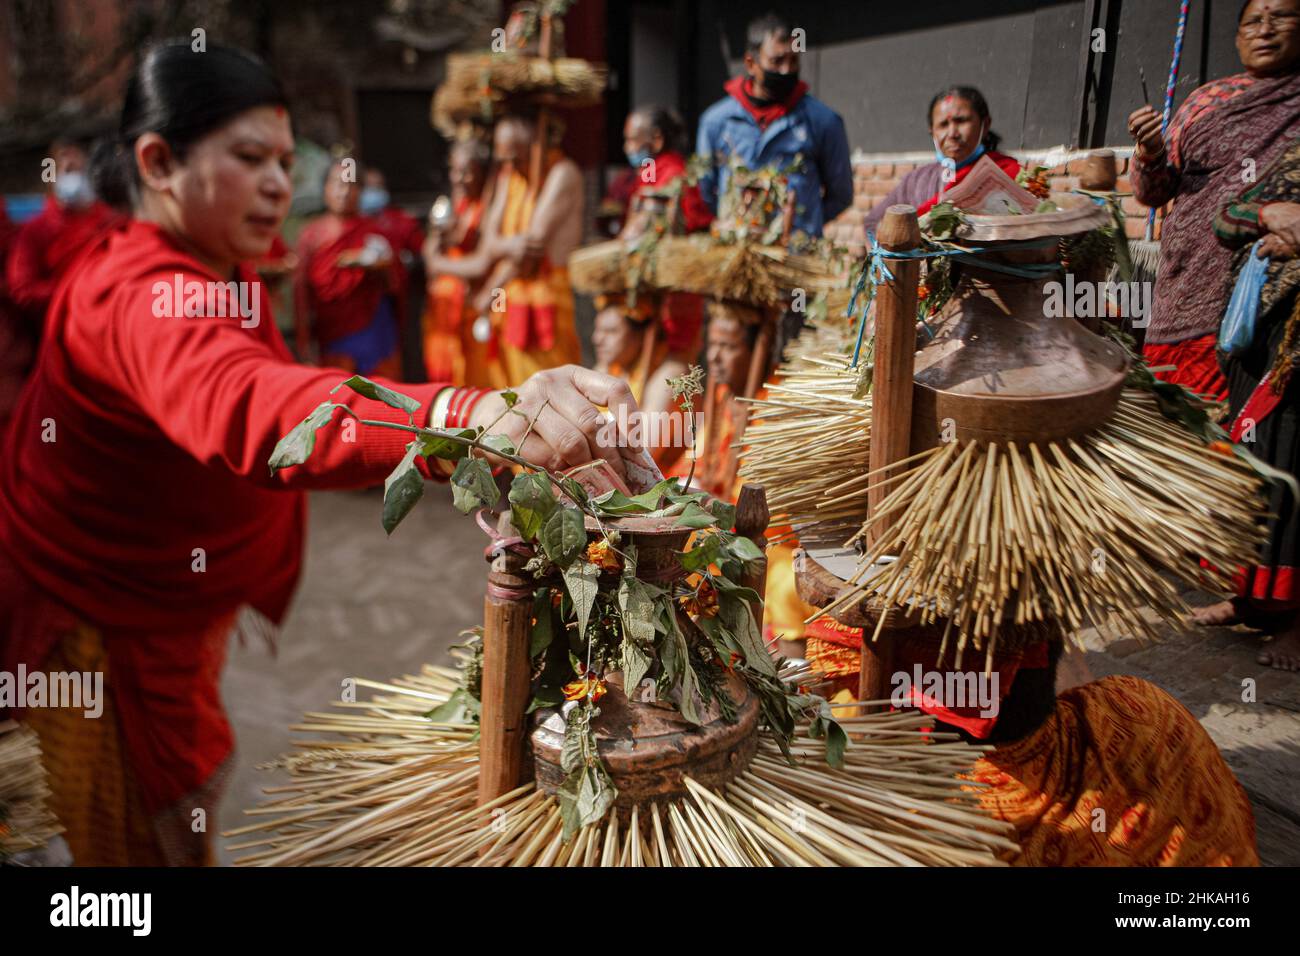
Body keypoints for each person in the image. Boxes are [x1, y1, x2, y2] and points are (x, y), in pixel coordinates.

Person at [0, 40, 643, 867]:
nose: (279, 182)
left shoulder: (207, 267)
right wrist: (461, 415)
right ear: (158, 161)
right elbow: (252, 403)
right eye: (248, 158)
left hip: (163, 622)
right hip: (93, 638)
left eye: (281, 159)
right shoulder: (142, 293)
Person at [1129, 0, 1300, 402]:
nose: (1266, 28)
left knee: (1235, 438)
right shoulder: (1207, 102)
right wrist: (1150, 151)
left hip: (1260, 298)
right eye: (1254, 20)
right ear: (1238, 37)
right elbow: (1152, 192)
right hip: (1182, 288)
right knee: (1170, 421)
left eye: (1281, 16)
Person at [1207, 137, 1300, 669]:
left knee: (1294, 477)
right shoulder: (1289, 161)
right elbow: (1226, 218)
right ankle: (1245, 599)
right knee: (1252, 468)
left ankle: (1295, 624)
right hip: (1257, 344)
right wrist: (1269, 212)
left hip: (1296, 358)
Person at [695, 12, 852, 240]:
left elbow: (841, 194)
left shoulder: (823, 121)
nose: (787, 70)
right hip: (735, 250)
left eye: (794, 60)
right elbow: (704, 190)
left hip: (797, 257)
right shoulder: (716, 122)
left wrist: (804, 225)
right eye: (777, 61)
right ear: (751, 63)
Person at [473, 111, 585, 383]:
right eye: (503, 159)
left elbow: (530, 251)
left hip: (546, 294)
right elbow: (488, 241)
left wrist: (489, 289)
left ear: (536, 147)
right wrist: (509, 244)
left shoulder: (562, 173)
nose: (510, 165)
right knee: (507, 390)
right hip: (508, 296)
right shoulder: (509, 174)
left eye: (516, 158)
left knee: (548, 388)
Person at [294, 158, 404, 378]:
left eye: (351, 184)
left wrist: (380, 267)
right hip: (332, 334)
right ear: (325, 189)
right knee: (341, 397)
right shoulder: (311, 236)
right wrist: (303, 342)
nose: (344, 191)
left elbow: (394, 285)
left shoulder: (374, 232)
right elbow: (301, 290)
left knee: (382, 397)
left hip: (374, 330)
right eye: (337, 184)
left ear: (361, 191)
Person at [863, 86, 1022, 238]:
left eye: (961, 121)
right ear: (932, 131)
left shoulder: (1006, 171)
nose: (952, 133)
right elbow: (872, 223)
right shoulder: (915, 181)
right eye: (943, 125)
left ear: (985, 125)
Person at [422, 137, 507, 389]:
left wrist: (438, 263)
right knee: (444, 381)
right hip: (444, 311)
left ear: (481, 172)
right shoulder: (454, 204)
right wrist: (437, 244)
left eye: (467, 172)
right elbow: (429, 250)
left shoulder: (488, 208)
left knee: (477, 383)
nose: (459, 178)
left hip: (475, 307)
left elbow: (481, 264)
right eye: (454, 170)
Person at [5, 139, 119, 326]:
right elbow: (23, 289)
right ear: (51, 177)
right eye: (65, 171)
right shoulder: (36, 229)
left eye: (77, 171)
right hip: (62, 324)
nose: (72, 177)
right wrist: (76, 292)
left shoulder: (111, 221)